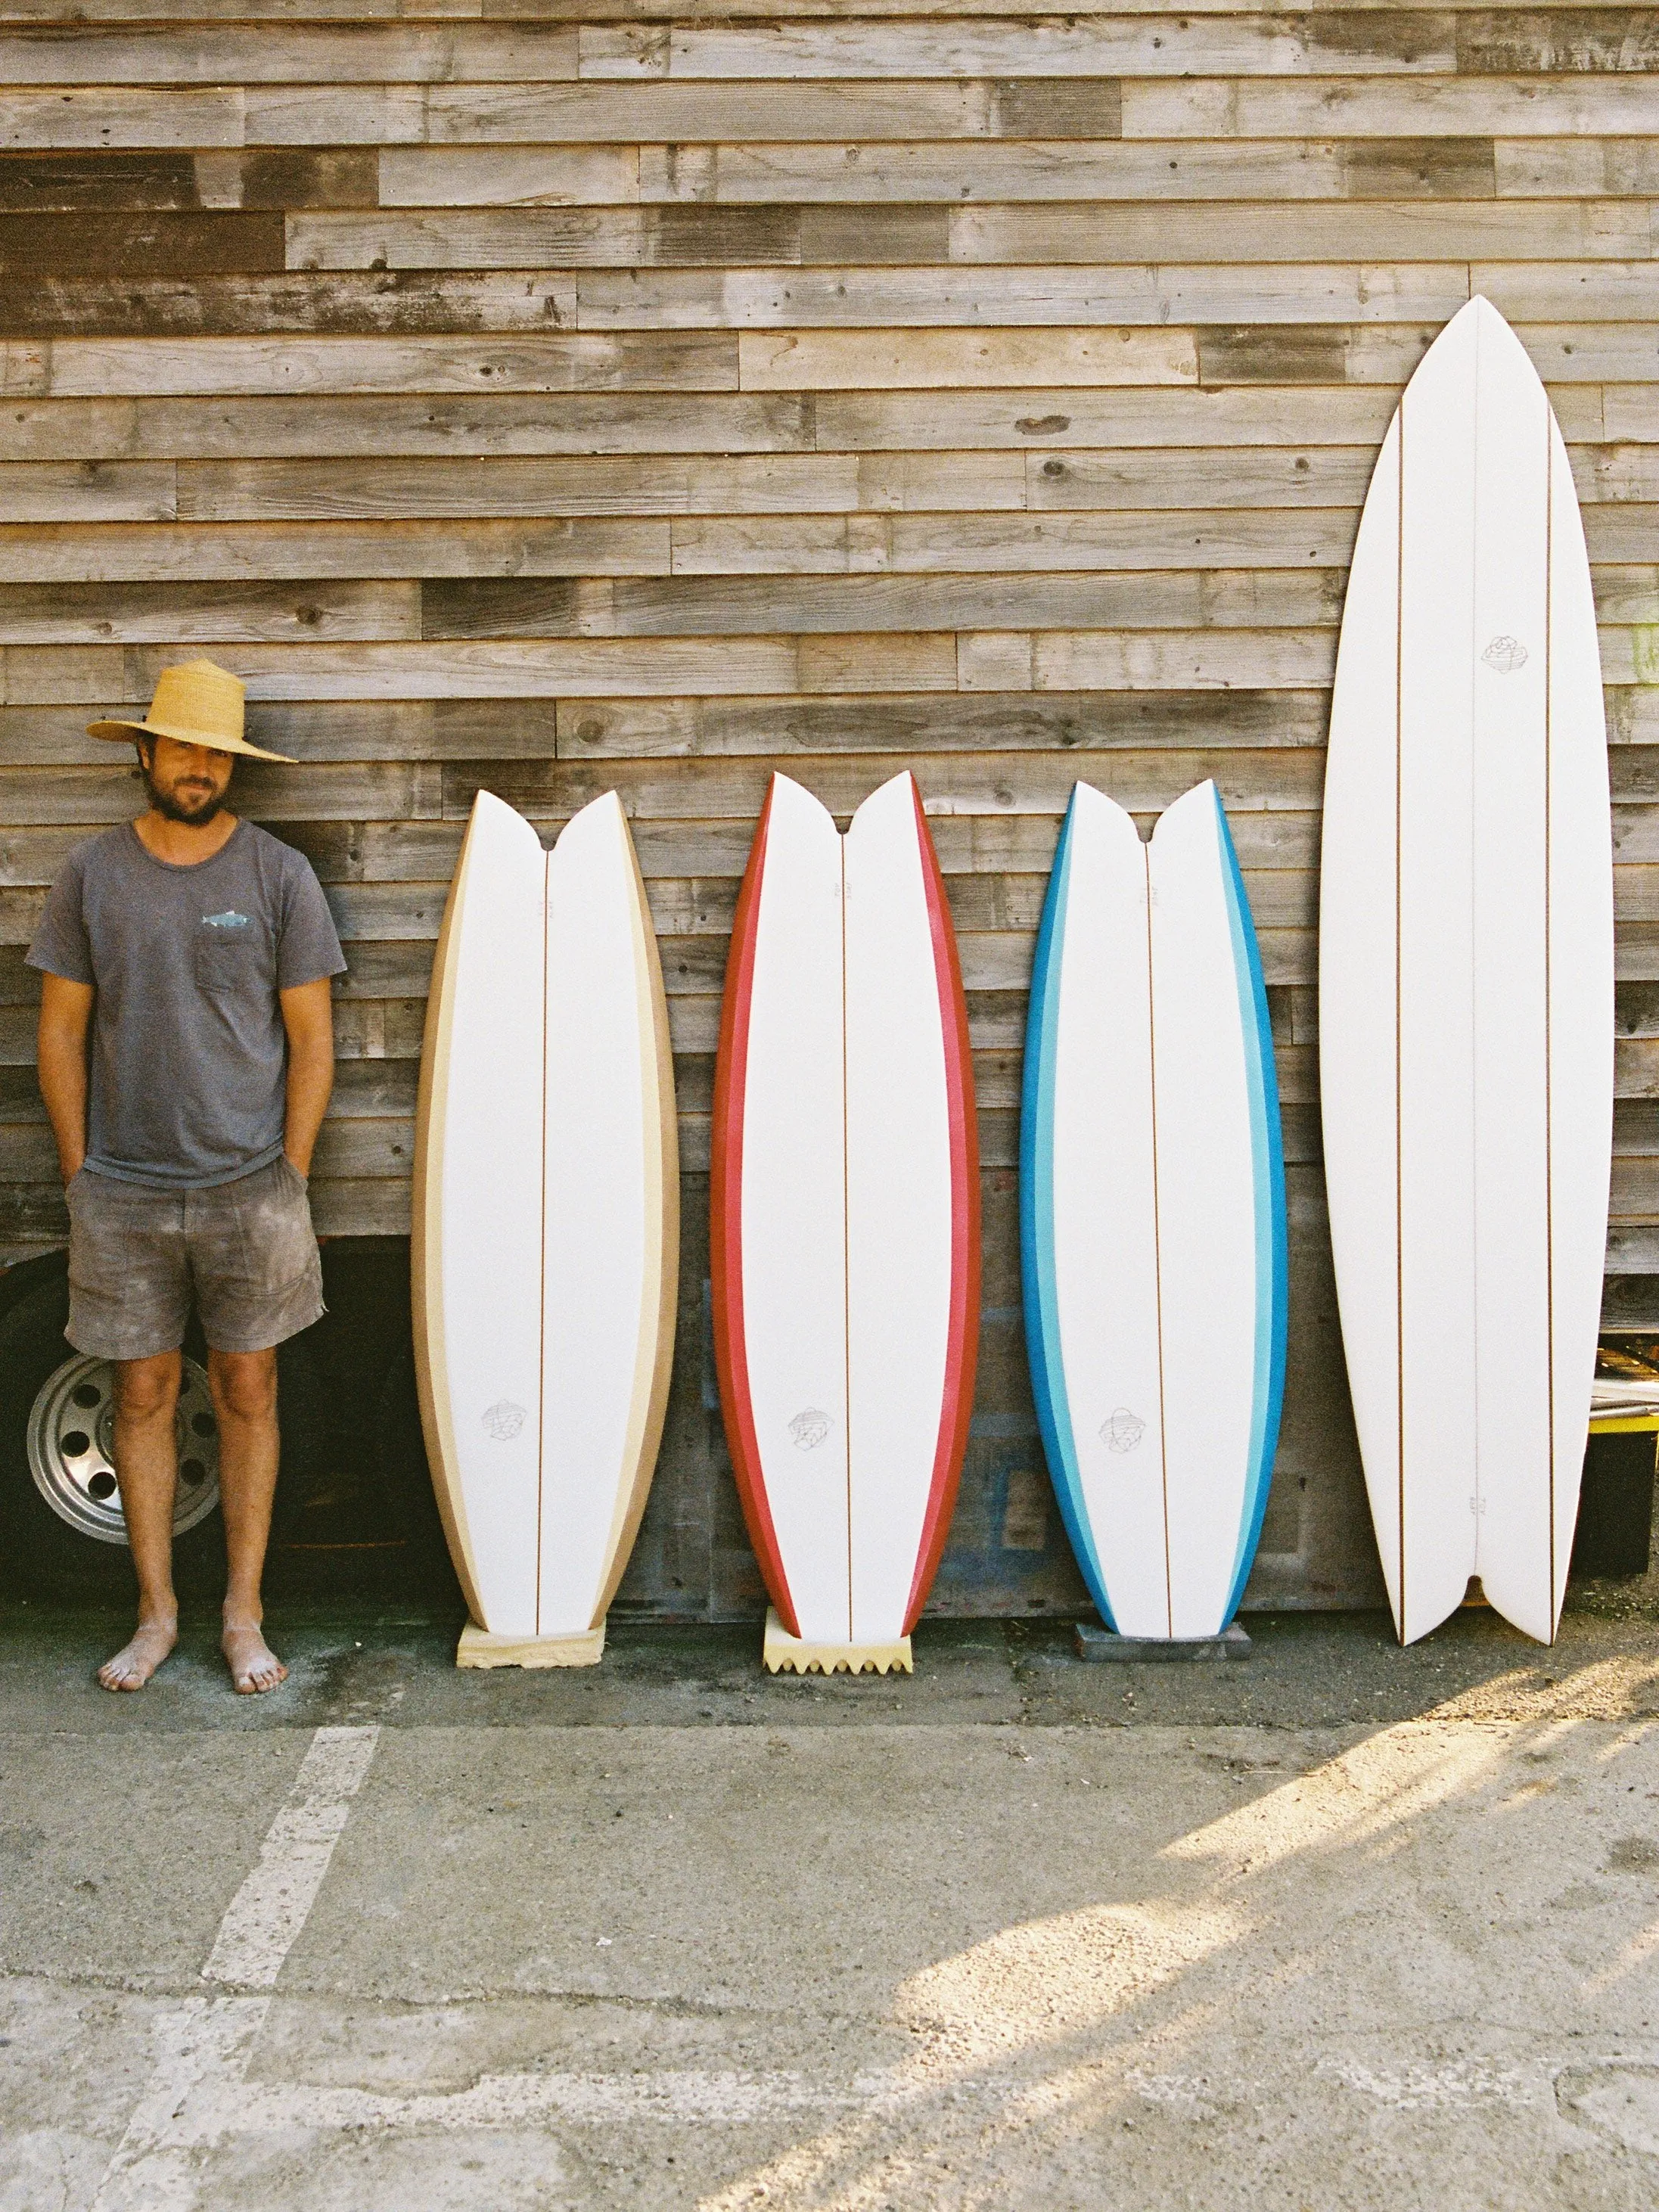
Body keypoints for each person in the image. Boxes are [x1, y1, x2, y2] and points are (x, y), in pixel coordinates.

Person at [27, 660, 346, 1695]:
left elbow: (312, 1040)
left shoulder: (277, 876)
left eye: (217, 752)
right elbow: (61, 1031)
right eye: (182, 748)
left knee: (250, 1385)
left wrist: (288, 1172)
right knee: (144, 1389)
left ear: (233, 766)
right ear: (145, 754)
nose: (199, 768)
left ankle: (242, 1615)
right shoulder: (92, 875)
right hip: (120, 1188)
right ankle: (156, 1612)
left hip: (251, 1186)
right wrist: (82, 1171)